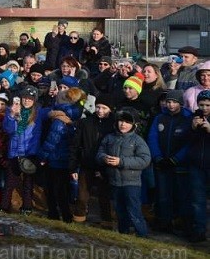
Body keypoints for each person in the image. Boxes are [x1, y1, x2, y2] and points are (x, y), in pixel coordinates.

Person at [96, 109, 151, 237]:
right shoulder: (109, 138)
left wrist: (121, 162)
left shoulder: (138, 140)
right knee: (119, 210)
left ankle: (142, 234)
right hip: (114, 181)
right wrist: (104, 158)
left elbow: (145, 160)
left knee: (134, 211)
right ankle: (123, 234)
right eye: (121, 121)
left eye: (127, 122)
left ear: (133, 125)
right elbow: (99, 153)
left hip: (131, 183)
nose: (123, 124)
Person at [148, 89, 192, 235]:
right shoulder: (160, 118)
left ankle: (182, 223)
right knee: (163, 194)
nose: (171, 105)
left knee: (181, 194)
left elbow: (189, 142)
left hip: (180, 165)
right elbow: (152, 138)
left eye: (174, 102)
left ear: (181, 103)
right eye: (169, 102)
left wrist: (176, 158)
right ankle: (164, 222)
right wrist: (157, 157)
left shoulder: (187, 118)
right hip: (162, 163)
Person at [0, 85, 48, 214]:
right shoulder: (13, 110)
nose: (26, 101)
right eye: (24, 98)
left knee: (28, 183)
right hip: (14, 152)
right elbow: (8, 129)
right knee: (9, 182)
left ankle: (27, 207)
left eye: (30, 99)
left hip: (30, 153)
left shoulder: (39, 112)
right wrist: (11, 115)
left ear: (34, 100)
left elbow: (52, 110)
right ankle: (4, 206)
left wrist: (53, 95)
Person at [38, 87, 84, 223]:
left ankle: (56, 213)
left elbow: (52, 141)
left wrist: (42, 156)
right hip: (66, 159)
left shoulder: (59, 120)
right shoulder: (74, 118)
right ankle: (65, 214)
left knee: (52, 189)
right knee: (63, 188)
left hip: (55, 159)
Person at [69, 96, 115, 225]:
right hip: (87, 163)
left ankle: (107, 221)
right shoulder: (86, 122)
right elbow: (75, 145)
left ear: (110, 110)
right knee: (82, 195)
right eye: (98, 107)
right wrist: (73, 166)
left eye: (104, 108)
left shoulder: (113, 125)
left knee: (104, 196)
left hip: (105, 165)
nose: (100, 110)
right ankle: (79, 218)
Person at [188, 90, 210, 243]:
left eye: (208, 105)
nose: (204, 108)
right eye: (201, 104)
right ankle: (199, 230)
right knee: (197, 200)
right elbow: (185, 140)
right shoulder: (193, 118)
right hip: (196, 164)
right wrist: (193, 129)